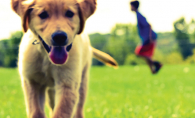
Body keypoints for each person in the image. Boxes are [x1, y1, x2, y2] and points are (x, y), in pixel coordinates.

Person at [130, 0, 162, 74]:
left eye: (131, 6)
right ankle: (153, 71)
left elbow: (149, 25)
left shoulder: (139, 15)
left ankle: (156, 64)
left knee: (139, 52)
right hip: (146, 38)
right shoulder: (137, 15)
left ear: (134, 6)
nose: (130, 8)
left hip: (149, 38)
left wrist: (149, 37)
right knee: (146, 55)